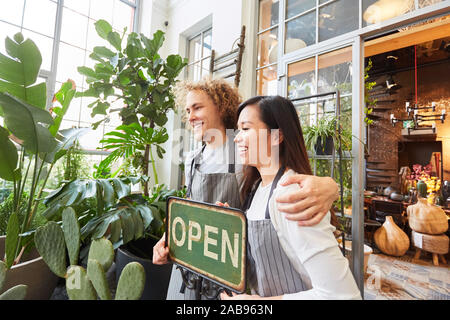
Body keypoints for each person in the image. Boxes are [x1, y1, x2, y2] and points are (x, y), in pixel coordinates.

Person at [153, 78, 341, 300]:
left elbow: (287, 172)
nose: (190, 116)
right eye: (187, 110)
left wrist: (330, 186)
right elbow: (190, 207)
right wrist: (169, 237)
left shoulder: (250, 158)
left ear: (221, 106)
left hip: (227, 278)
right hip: (187, 267)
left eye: (197, 107)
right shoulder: (193, 159)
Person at [218, 95, 361, 300]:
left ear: (277, 136)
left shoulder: (292, 196)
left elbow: (342, 296)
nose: (237, 137)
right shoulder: (257, 188)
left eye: (246, 128)